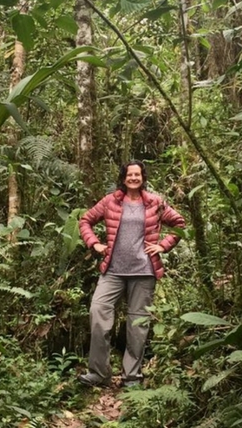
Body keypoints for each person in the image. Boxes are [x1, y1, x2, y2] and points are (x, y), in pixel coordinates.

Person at [77, 160, 185, 388]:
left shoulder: (155, 202)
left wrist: (163, 246)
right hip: (113, 271)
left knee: (137, 325)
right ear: (124, 177)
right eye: (129, 174)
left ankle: (131, 377)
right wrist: (95, 244)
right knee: (98, 312)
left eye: (137, 174)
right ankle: (99, 373)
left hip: (144, 271)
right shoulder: (110, 201)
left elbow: (179, 224)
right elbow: (86, 220)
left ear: (143, 177)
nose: (134, 178)